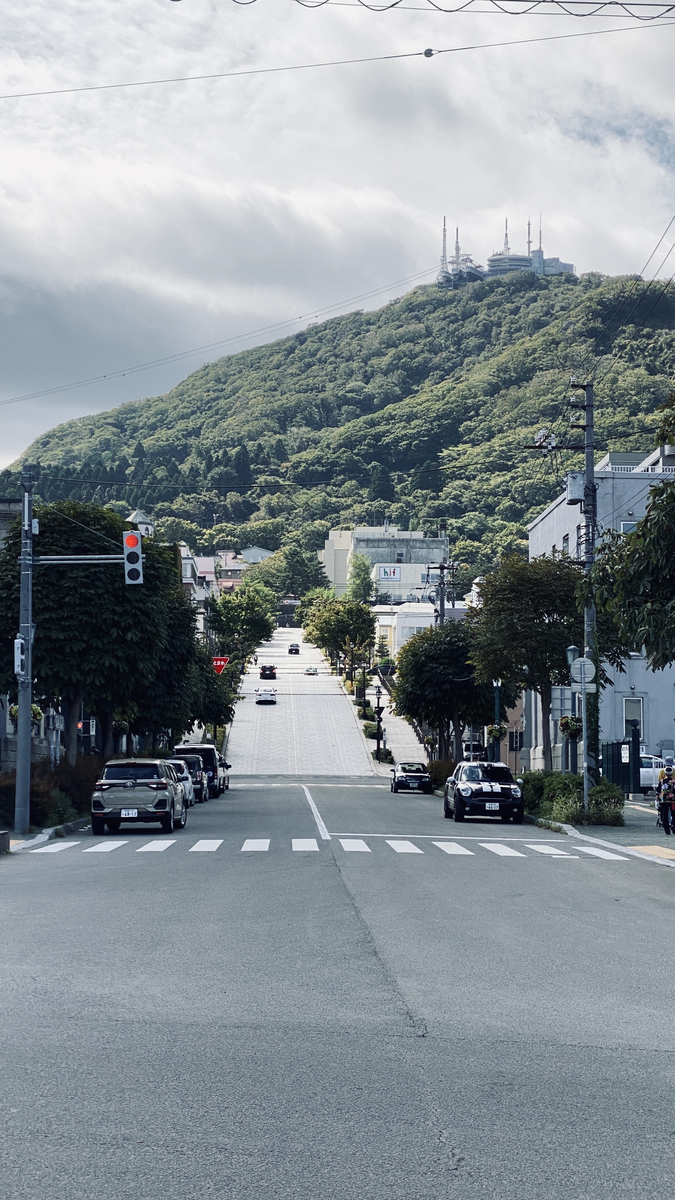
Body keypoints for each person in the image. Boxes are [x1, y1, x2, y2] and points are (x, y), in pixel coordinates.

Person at [658, 762, 675, 835]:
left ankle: (666, 829)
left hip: (663, 800)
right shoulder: (674, 781)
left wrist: (657, 799)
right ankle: (674, 827)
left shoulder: (662, 781)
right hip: (673, 800)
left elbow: (658, 791)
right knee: (674, 814)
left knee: (665, 814)